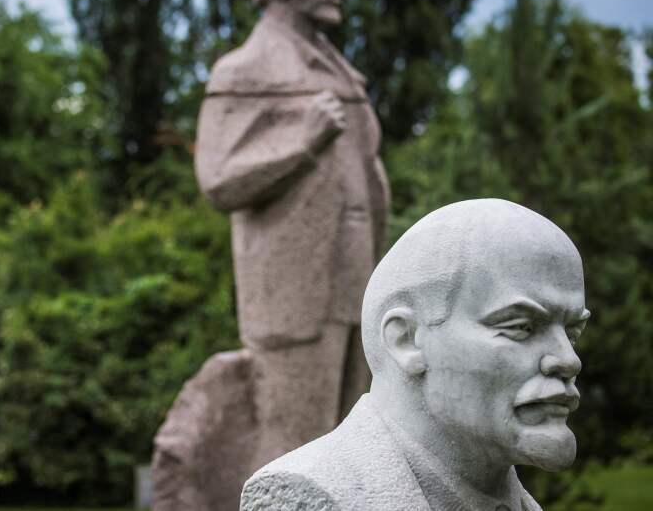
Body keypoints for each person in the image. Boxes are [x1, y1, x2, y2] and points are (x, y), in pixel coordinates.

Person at [240, 199, 589, 511]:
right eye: (521, 327)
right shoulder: (306, 494)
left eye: (572, 332)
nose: (568, 359)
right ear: (406, 340)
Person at [194, 0, 390, 467]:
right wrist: (302, 142)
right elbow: (219, 179)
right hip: (293, 294)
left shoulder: (341, 72)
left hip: (357, 284)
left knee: (354, 450)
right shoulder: (245, 70)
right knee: (295, 450)